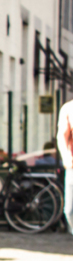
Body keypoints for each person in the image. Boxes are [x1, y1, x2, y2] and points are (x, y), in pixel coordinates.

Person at [58, 100, 73, 235]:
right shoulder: (69, 108)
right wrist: (66, 157)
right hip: (72, 167)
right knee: (70, 210)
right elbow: (62, 136)